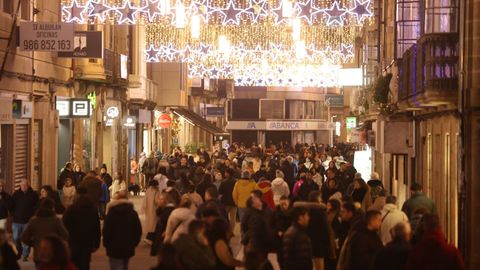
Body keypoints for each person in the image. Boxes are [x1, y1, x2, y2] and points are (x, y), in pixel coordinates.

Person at [21, 198, 70, 264]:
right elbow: (65, 235)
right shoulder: (56, 220)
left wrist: (33, 243)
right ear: (52, 208)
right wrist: (57, 243)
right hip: (53, 251)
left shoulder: (34, 220)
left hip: (38, 251)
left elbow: (24, 237)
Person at [63, 187, 101, 270]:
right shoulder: (92, 208)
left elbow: (65, 224)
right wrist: (97, 242)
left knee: (74, 263)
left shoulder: (72, 208)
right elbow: (96, 226)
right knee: (85, 263)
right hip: (87, 241)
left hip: (74, 240)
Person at [103, 190, 142, 270]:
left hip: (113, 246)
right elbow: (137, 230)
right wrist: (134, 243)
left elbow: (106, 229)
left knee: (116, 266)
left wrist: (106, 242)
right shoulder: (133, 213)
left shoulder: (111, 212)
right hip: (128, 245)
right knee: (125, 265)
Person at [294, 191, 331, 270]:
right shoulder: (321, 212)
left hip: (305, 246)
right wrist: (328, 246)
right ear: (317, 198)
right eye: (320, 197)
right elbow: (325, 231)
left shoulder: (304, 211)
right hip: (318, 246)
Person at [11, 179, 39, 261]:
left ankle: (25, 255)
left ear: (28, 185)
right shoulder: (16, 194)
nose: (23, 187)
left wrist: (33, 216)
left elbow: (36, 206)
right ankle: (20, 251)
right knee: (15, 238)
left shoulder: (34, 194)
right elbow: (12, 205)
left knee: (27, 239)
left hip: (28, 221)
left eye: (25, 185)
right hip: (16, 221)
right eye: (21, 185)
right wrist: (14, 214)